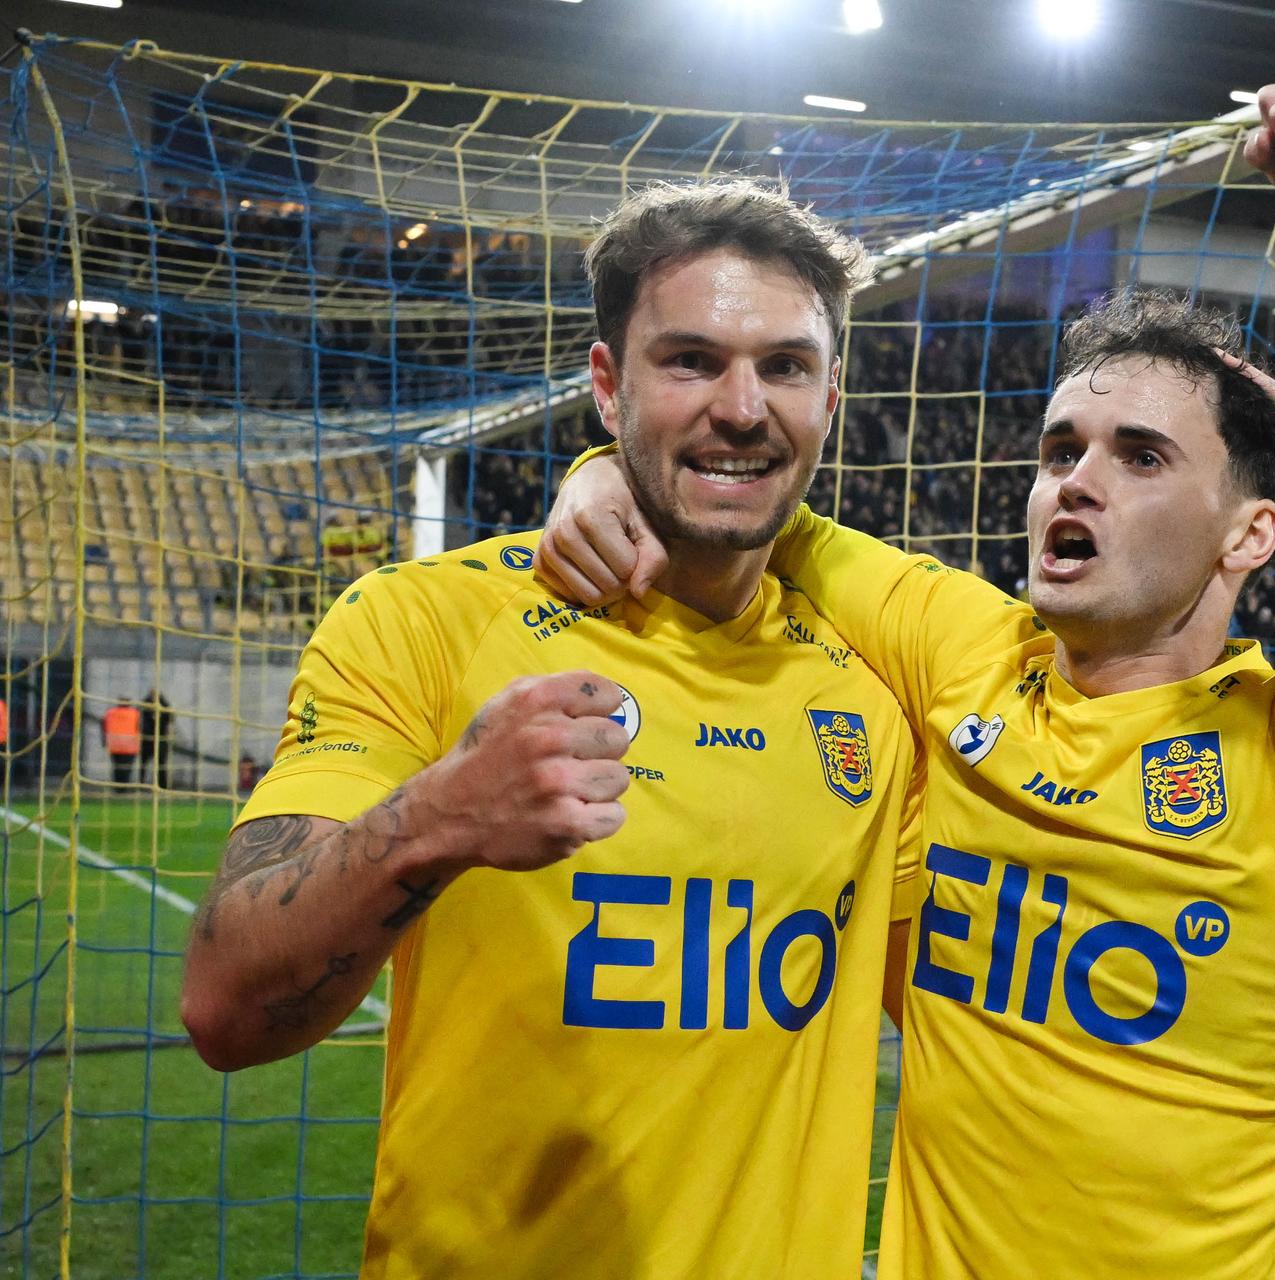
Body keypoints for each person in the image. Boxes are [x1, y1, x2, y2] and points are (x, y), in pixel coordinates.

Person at [539, 69, 1275, 1276]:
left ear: (1250, 534)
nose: (1075, 482)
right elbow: (734, 490)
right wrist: (596, 465)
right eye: (1062, 450)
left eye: (1140, 455)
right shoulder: (961, 648)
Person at [180, 181, 920, 1279]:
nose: (744, 405)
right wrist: (439, 814)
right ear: (607, 386)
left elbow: (973, 1028)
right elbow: (226, 1006)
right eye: (690, 360)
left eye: (784, 365)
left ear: (831, 392)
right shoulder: (420, 621)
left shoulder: (879, 683)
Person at [140, 688, 173, 789]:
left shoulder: (165, 705)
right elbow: (141, 719)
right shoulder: (145, 705)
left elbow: (170, 720)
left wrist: (168, 731)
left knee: (161, 763)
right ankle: (141, 784)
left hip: (161, 738)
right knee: (143, 762)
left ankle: (162, 785)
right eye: (152, 694)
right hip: (147, 738)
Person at [102, 699, 140, 785]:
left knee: (117, 766)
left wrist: (104, 741)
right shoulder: (135, 713)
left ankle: (117, 786)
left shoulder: (110, 712)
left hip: (114, 744)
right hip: (130, 745)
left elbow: (104, 727)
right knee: (126, 767)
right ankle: (124, 786)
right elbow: (140, 727)